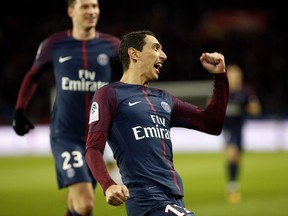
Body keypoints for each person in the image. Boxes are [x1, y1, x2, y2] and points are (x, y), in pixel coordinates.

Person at [85, 30, 229, 216]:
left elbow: (212, 124)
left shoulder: (164, 99)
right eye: (156, 48)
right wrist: (108, 185)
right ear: (134, 54)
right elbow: (93, 148)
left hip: (175, 197)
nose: (164, 55)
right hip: (146, 199)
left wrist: (220, 77)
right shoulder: (108, 94)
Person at [12, 0, 122, 215]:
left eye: (95, 6)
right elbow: (33, 75)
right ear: (71, 11)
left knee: (76, 203)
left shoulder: (113, 46)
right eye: (85, 6)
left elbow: (125, 83)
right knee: (86, 203)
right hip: (66, 135)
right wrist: (19, 109)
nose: (91, 11)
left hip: (97, 137)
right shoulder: (54, 44)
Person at [223, 64, 262, 204]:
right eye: (231, 76)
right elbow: (210, 106)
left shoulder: (246, 92)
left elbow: (256, 110)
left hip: (239, 129)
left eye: (235, 77)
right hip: (227, 129)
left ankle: (233, 184)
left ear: (240, 78)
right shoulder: (222, 91)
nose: (233, 79)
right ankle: (232, 187)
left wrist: (252, 106)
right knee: (232, 154)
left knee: (236, 158)